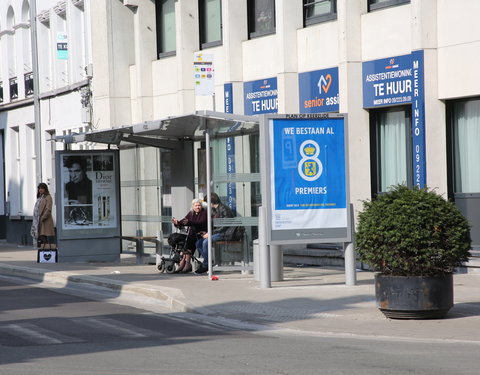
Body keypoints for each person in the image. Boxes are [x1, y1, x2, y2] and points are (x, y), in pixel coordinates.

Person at [194, 192, 234, 275]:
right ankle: (208, 261)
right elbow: (213, 224)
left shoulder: (224, 209)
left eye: (207, 202)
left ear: (211, 202)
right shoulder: (214, 210)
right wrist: (207, 232)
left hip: (226, 233)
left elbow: (225, 227)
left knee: (206, 242)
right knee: (198, 243)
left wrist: (210, 233)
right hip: (218, 232)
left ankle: (206, 265)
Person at [171, 198, 207, 273]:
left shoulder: (204, 213)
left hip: (202, 234)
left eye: (199, 205)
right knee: (184, 241)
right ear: (193, 206)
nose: (197, 207)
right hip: (192, 235)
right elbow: (184, 221)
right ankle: (183, 263)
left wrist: (189, 222)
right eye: (196, 205)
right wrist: (177, 222)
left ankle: (187, 264)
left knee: (189, 242)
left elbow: (201, 222)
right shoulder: (191, 213)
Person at [31, 183, 55, 247]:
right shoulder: (40, 198)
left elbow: (48, 209)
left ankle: (47, 249)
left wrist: (43, 218)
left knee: (44, 235)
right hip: (39, 220)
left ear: (45, 189)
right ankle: (45, 248)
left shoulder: (48, 197)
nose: (40, 190)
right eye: (39, 188)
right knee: (40, 235)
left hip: (45, 220)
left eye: (42, 188)